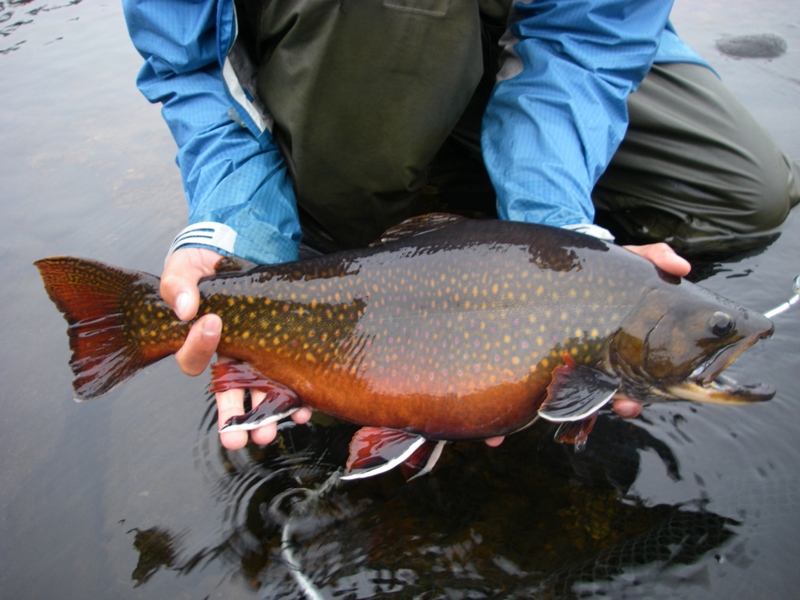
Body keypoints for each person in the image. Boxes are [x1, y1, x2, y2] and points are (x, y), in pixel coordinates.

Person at [122, 0, 798, 450]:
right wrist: (237, 230)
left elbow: (586, 37)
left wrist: (559, 231)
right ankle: (346, 193)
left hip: (545, 19)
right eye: (718, 330)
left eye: (718, 331)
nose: (737, 333)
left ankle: (458, 147)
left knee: (750, 192)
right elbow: (189, 65)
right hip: (340, 23)